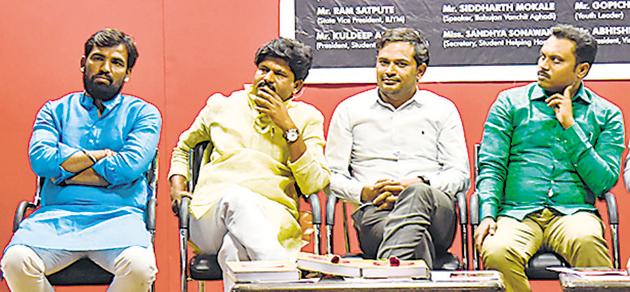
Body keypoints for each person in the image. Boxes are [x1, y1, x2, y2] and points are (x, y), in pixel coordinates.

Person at [1, 28, 161, 292]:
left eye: (117, 62)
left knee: (140, 267)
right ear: (83, 63)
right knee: (16, 262)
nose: (105, 68)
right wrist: (98, 156)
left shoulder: (143, 114)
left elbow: (128, 167)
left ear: (128, 73)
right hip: (55, 219)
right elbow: (41, 161)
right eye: (98, 58)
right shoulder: (54, 110)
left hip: (119, 219)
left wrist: (64, 171)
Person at [168, 38, 330, 289]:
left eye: (279, 74)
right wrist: (177, 185)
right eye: (263, 69)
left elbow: (313, 183)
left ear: (296, 85)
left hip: (273, 221)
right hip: (211, 215)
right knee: (237, 198)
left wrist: (288, 126)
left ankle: (280, 276)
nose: (267, 78)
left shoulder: (306, 118)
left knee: (233, 251)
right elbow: (184, 147)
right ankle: (288, 281)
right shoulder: (221, 106)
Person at [474, 24, 624, 292]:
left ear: (582, 70)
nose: (543, 65)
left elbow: (604, 182)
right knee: (496, 250)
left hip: (574, 213)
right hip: (516, 213)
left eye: (556, 60)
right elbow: (491, 165)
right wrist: (487, 215)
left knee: (588, 241)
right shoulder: (509, 103)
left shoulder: (607, 114)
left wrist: (570, 127)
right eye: (543, 56)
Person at [326, 27, 470, 268]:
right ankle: (395, 276)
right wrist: (365, 192)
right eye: (383, 63)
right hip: (375, 212)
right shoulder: (349, 111)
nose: (389, 71)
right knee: (416, 239)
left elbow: (459, 175)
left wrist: (419, 184)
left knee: (417, 193)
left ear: (420, 71)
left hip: (436, 214)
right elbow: (331, 176)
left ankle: (385, 279)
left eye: (400, 64)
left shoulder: (442, 110)